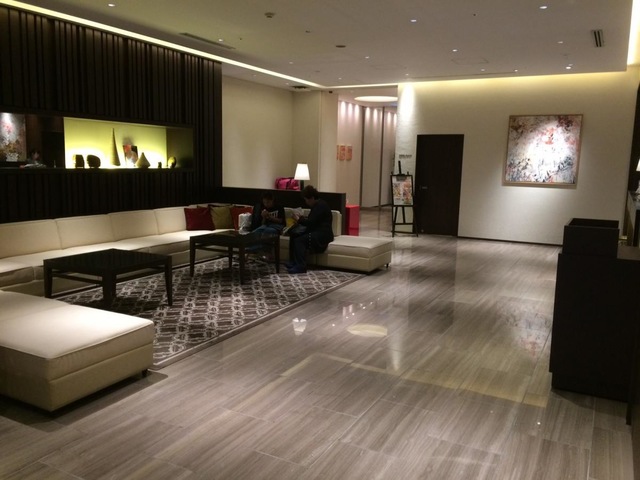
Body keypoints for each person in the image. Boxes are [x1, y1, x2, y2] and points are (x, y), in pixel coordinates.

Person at [287, 185, 334, 274]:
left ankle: (301, 266)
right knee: (294, 234)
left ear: (312, 198)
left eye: (306, 200)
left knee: (299, 240)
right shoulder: (318, 205)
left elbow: (311, 222)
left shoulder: (320, 206)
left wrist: (299, 219)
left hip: (322, 234)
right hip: (317, 231)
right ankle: (293, 261)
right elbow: (313, 220)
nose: (306, 202)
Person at [249, 192, 285, 256]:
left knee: (267, 232)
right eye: (264, 202)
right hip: (266, 225)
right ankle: (252, 250)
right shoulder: (263, 208)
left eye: (268, 202)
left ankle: (253, 250)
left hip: (277, 226)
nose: (266, 204)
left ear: (272, 200)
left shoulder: (279, 207)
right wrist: (263, 217)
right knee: (255, 232)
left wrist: (270, 217)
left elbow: (280, 221)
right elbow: (262, 224)